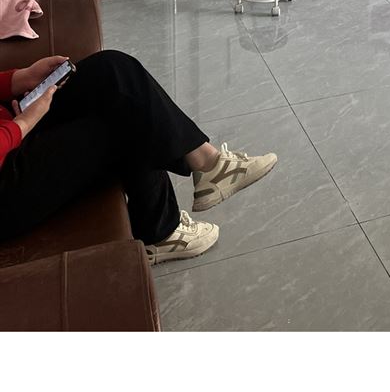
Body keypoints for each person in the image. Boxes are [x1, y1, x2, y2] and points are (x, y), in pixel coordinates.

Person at [0, 51, 277, 264]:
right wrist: (22, 124)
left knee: (111, 69)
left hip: (9, 124)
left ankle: (208, 165)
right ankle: (161, 231)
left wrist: (20, 78)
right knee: (120, 120)